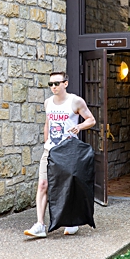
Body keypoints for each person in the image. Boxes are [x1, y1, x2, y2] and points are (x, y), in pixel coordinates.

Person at [24, 71, 96, 239]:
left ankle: (72, 222)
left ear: (66, 83)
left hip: (69, 152)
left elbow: (91, 120)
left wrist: (79, 127)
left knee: (69, 186)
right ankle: (40, 225)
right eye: (51, 84)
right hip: (51, 150)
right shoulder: (48, 102)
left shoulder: (75, 101)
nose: (53, 87)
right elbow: (47, 125)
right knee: (43, 184)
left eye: (57, 83)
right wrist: (46, 144)